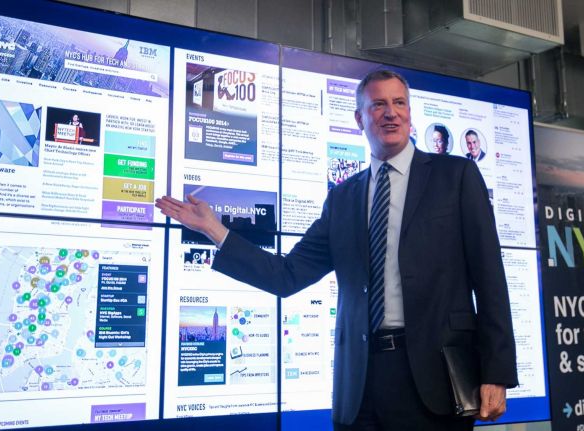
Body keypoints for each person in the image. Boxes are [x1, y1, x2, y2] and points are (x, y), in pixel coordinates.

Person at [156, 70, 517, 431]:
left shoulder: (455, 176)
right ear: (360, 118)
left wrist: (496, 372)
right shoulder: (343, 198)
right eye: (378, 104)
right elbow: (287, 275)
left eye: (399, 103)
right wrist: (214, 229)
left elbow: (489, 279)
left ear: (409, 113)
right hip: (359, 387)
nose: (391, 112)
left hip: (436, 381)